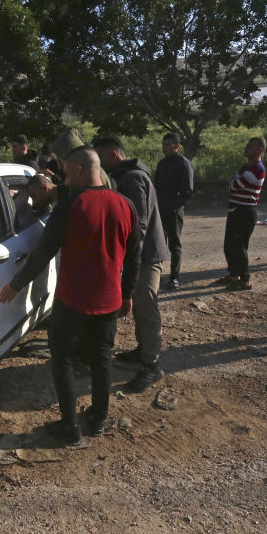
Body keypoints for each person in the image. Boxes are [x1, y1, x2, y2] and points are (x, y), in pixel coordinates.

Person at [0, 147, 139, 444]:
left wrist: (15, 285)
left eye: (65, 170)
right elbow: (134, 256)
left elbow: (43, 253)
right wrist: (127, 295)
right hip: (109, 300)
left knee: (62, 362)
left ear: (78, 171)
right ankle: (98, 419)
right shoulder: (125, 205)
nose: (63, 176)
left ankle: (70, 426)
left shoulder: (70, 207)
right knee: (101, 361)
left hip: (73, 301)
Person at [94, 135, 169, 390]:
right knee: (138, 304)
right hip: (142, 254)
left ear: (113, 154)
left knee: (146, 307)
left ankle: (152, 365)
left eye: (101, 156)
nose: (100, 163)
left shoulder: (133, 178)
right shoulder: (128, 176)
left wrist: (129, 260)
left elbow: (139, 224)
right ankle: (143, 350)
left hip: (145, 256)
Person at [216, 137, 267, 290]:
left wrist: (233, 182)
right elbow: (234, 184)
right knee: (229, 245)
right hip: (236, 210)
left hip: (245, 212)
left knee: (239, 246)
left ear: (260, 150)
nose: (246, 148)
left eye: (250, 146)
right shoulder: (246, 167)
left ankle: (245, 280)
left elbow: (234, 185)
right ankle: (234, 275)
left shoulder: (257, 168)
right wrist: (233, 183)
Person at [154, 132, 195, 289]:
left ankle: (174, 277)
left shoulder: (184, 164)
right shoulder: (162, 163)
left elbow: (188, 192)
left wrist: (175, 206)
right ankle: (157, 275)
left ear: (176, 146)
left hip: (174, 210)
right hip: (160, 209)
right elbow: (156, 185)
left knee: (174, 244)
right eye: (163, 144)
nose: (164, 147)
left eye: (168, 144)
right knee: (159, 243)